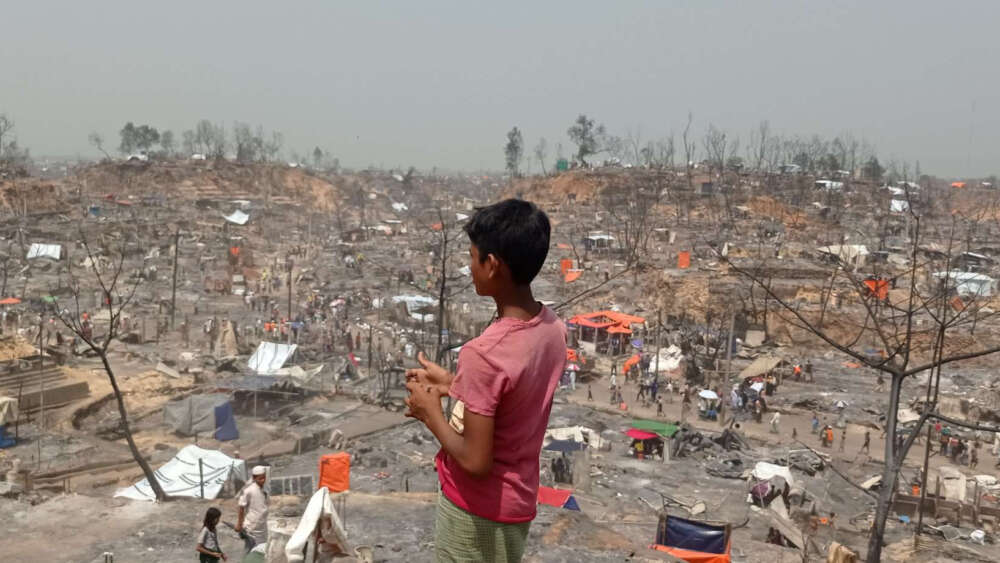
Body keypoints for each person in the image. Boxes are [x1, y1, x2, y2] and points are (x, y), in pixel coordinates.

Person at [403, 200, 565, 562]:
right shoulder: (551, 328)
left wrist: (430, 412)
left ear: (492, 266)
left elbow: (476, 461)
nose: (469, 266)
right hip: (516, 506)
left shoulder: (484, 352)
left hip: (474, 511)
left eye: (473, 257)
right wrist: (453, 384)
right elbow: (513, 395)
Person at [236, 466, 269, 553]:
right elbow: (241, 507)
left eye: (264, 477)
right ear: (254, 478)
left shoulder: (264, 489)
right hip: (252, 528)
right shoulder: (249, 490)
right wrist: (239, 524)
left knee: (261, 551)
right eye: (260, 478)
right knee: (250, 551)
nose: (263, 480)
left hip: (262, 527)